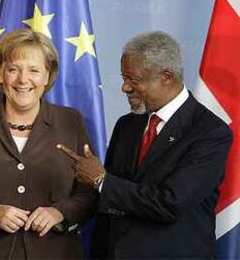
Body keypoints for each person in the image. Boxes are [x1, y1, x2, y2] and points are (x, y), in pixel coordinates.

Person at [58, 31, 233, 259]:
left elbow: (170, 203)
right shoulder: (127, 125)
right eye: (124, 78)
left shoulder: (210, 132)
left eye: (133, 80)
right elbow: (109, 203)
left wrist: (101, 180)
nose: (125, 88)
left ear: (166, 77)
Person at [0, 28, 95, 259]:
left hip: (55, 253)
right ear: (0, 74)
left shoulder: (70, 122)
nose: (23, 80)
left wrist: (59, 212)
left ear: (47, 76)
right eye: (13, 69)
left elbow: (90, 191)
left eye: (34, 70)